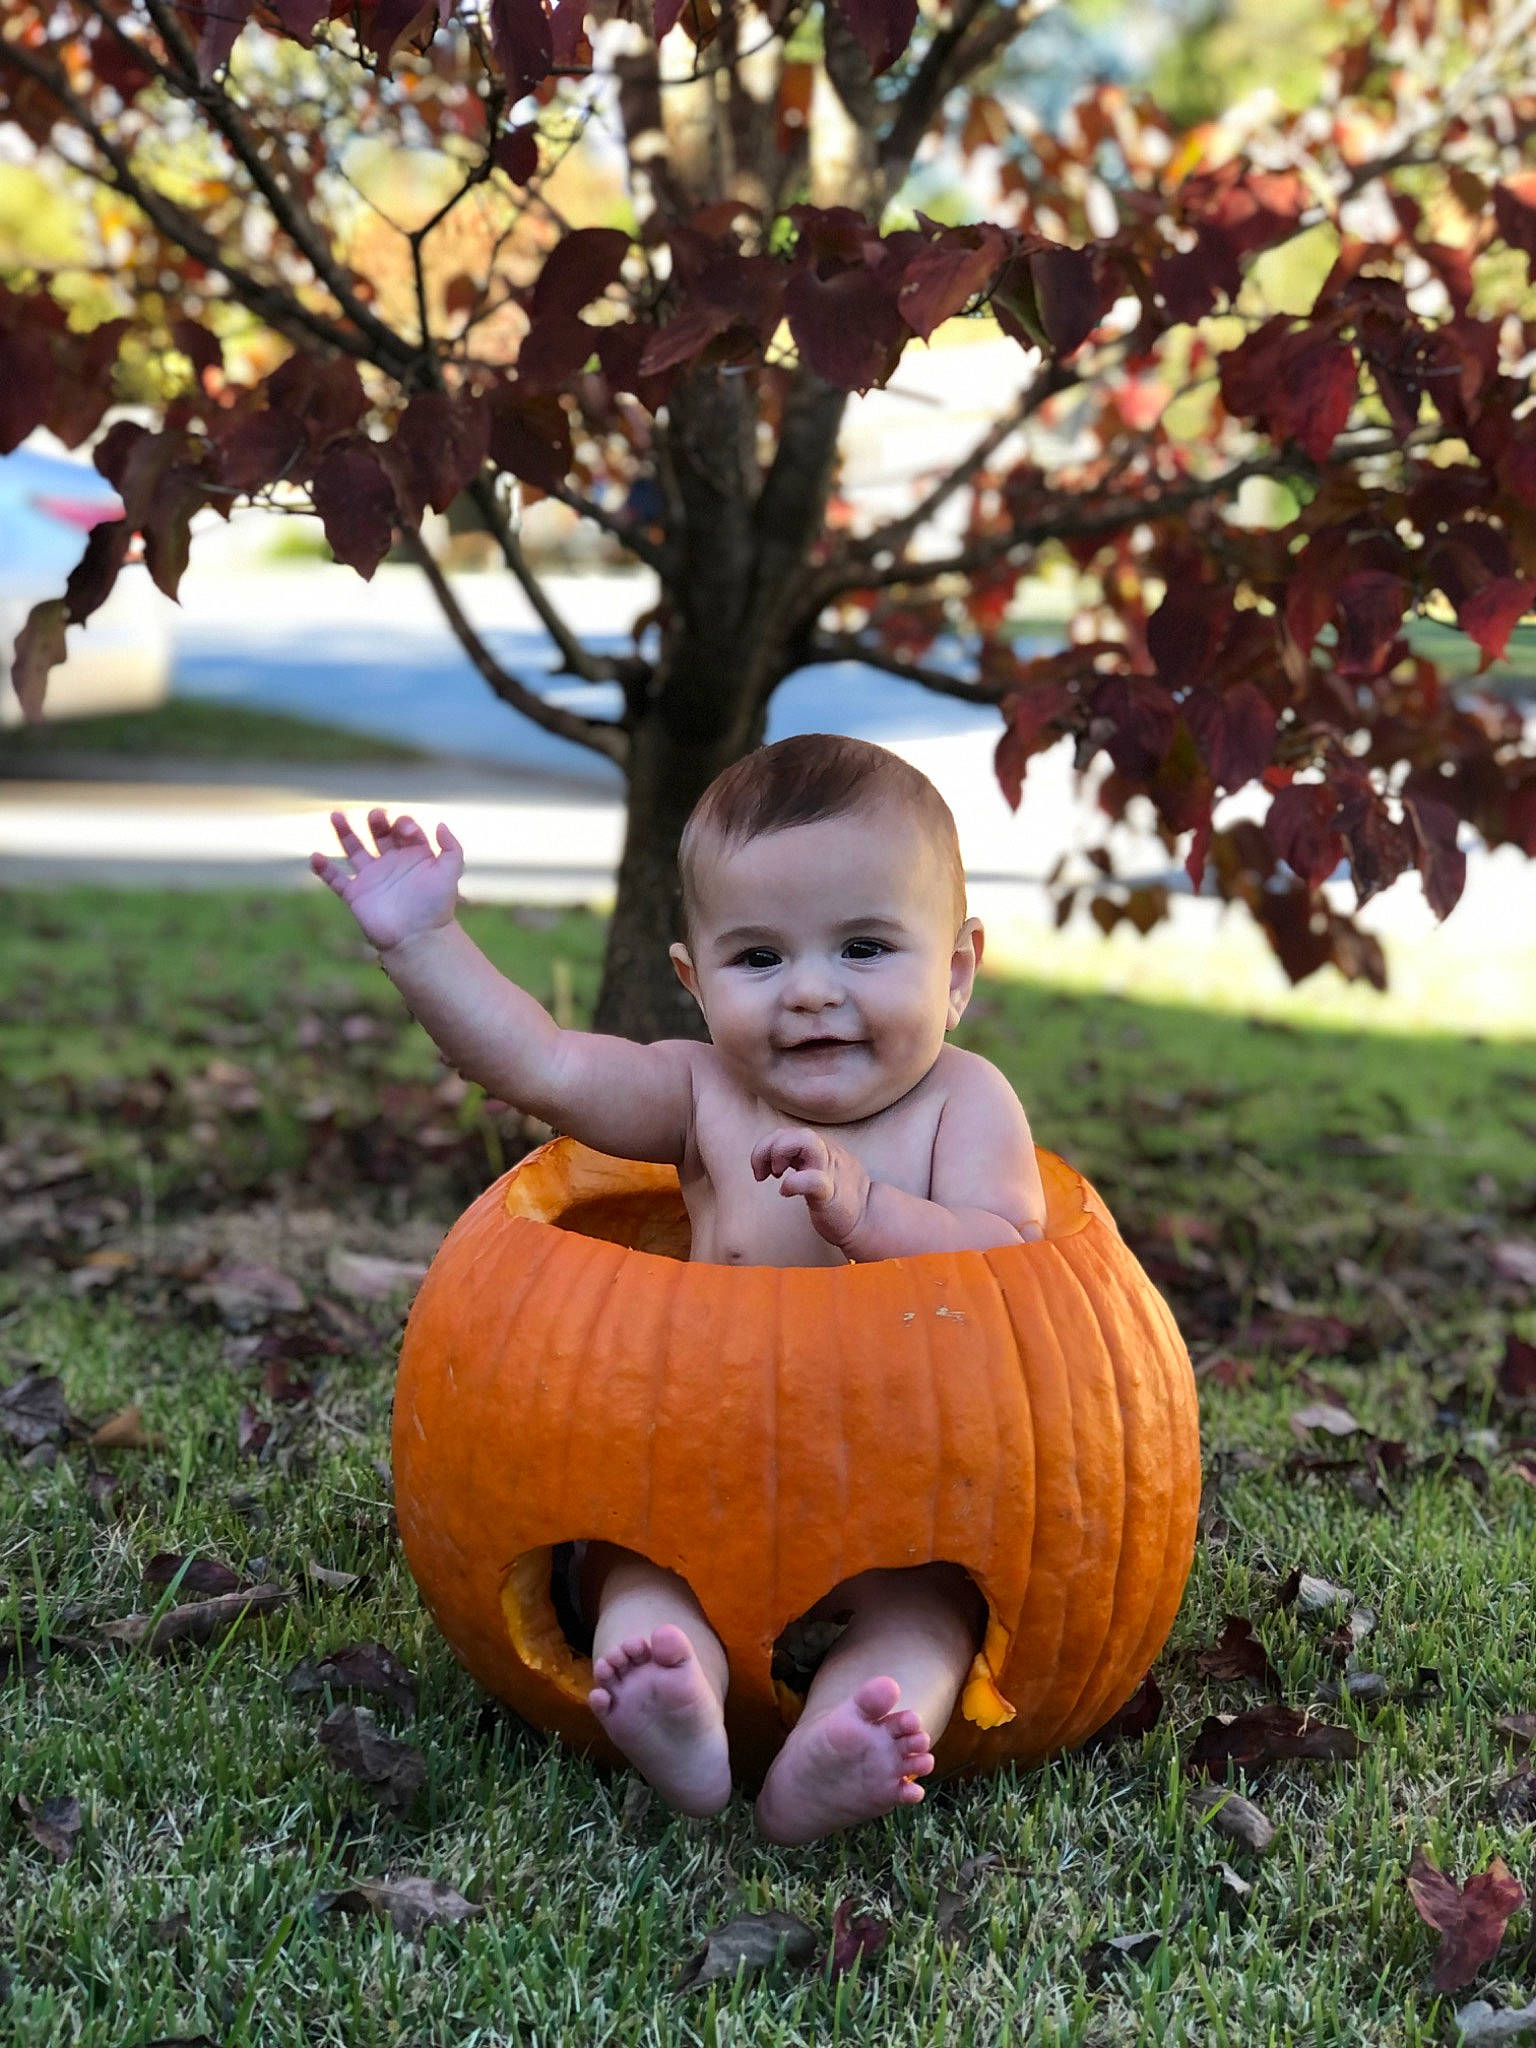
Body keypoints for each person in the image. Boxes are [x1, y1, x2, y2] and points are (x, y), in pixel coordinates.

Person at [312, 732, 1047, 1843]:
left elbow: (1011, 1255)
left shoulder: (967, 1102)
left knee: (933, 1609)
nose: (809, 992)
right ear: (695, 981)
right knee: (626, 1562)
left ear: (954, 969)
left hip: (914, 1480)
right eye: (759, 959)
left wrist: (870, 1213)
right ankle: (674, 1693)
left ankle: (852, 1733)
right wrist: (424, 942)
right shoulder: (700, 1091)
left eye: (862, 946)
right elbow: (544, 1066)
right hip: (701, 1461)